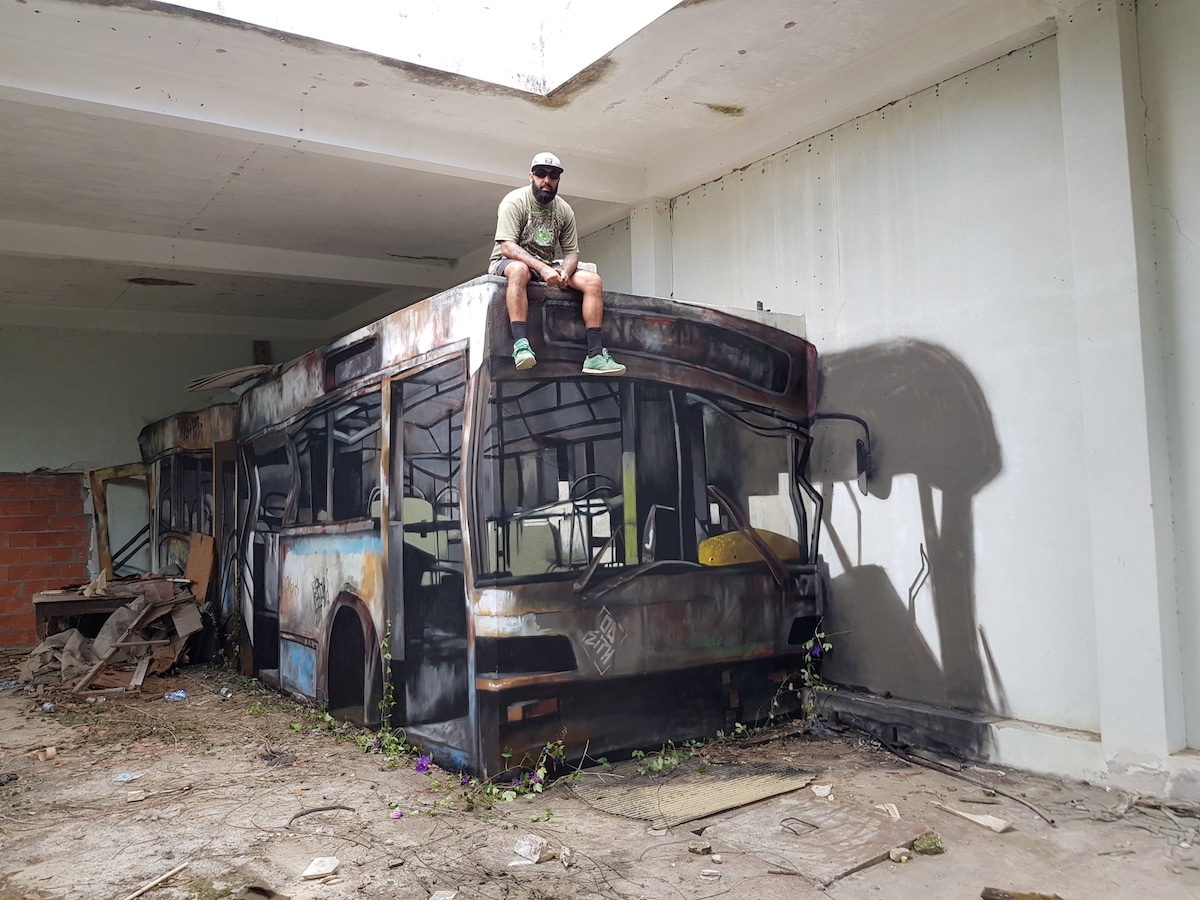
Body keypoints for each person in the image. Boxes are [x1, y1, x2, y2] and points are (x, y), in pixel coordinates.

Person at [489, 152, 626, 375]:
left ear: (558, 180)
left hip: (547, 265)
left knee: (592, 281)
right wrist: (542, 269)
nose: (547, 180)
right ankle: (521, 345)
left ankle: (595, 354)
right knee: (519, 269)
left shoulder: (564, 210)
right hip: (507, 263)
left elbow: (572, 252)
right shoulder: (515, 202)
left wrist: (565, 272)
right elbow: (507, 247)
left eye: (553, 175)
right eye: (541, 174)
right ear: (531, 176)